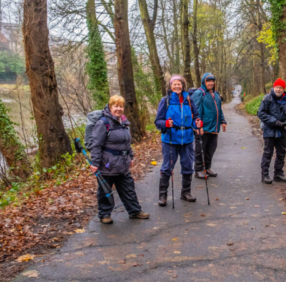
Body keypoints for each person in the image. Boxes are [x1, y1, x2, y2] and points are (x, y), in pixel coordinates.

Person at [90, 95, 150, 224]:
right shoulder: (103, 123)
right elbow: (97, 145)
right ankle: (104, 214)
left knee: (128, 188)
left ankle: (134, 211)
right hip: (107, 164)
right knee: (105, 190)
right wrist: (95, 162)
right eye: (116, 106)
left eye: (121, 106)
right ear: (110, 107)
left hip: (123, 163)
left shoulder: (124, 122)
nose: (118, 109)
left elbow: (127, 143)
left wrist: (131, 157)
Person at [155, 75, 203, 206]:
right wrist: (166, 124)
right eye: (174, 84)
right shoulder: (165, 101)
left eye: (179, 84)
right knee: (167, 167)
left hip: (187, 139)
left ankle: (185, 192)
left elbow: (196, 116)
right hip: (170, 140)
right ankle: (163, 195)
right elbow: (158, 121)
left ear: (183, 85)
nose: (177, 86)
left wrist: (197, 122)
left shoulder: (189, 99)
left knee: (188, 165)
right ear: (170, 86)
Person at [257, 78, 286, 184]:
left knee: (281, 152)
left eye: (280, 88)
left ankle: (278, 173)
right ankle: (265, 175)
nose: (278, 89)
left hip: (281, 130)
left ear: (283, 89)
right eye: (277, 87)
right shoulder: (267, 99)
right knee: (268, 153)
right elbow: (261, 113)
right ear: (274, 88)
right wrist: (275, 122)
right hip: (269, 130)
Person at [192, 72, 227, 179]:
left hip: (214, 127)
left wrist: (223, 121)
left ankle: (207, 167)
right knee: (200, 149)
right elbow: (196, 109)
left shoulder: (216, 94)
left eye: (212, 81)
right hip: (203, 127)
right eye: (208, 81)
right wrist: (199, 125)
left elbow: (219, 110)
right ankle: (198, 170)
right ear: (204, 82)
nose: (211, 83)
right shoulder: (199, 93)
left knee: (211, 148)